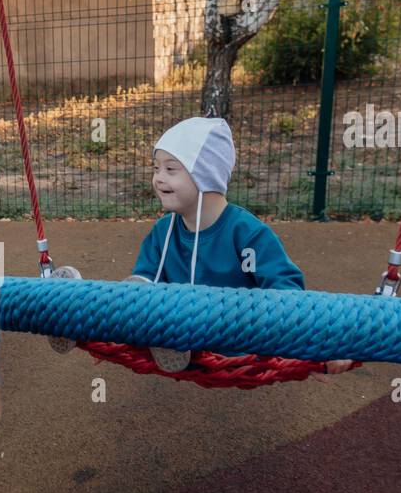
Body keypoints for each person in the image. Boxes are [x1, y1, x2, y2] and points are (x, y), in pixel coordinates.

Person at [131, 116, 353, 377]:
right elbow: (144, 281)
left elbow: (285, 289)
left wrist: (309, 345)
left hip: (241, 349)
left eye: (171, 169)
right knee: (134, 303)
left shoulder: (246, 233)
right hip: (186, 334)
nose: (158, 178)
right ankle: (81, 324)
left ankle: (320, 345)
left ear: (205, 175)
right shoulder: (163, 232)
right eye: (156, 168)